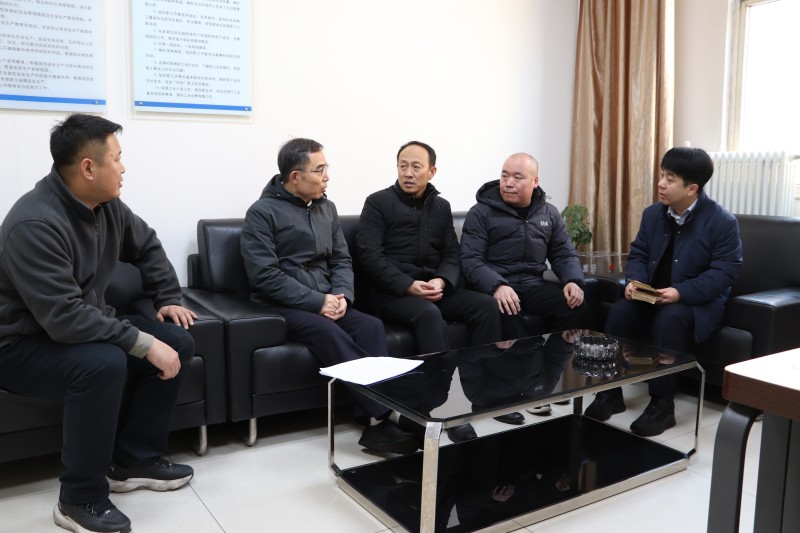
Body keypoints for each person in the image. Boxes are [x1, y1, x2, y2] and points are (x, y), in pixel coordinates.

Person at [0, 114, 197, 533]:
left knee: (177, 340)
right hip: (19, 345)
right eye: (117, 158)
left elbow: (147, 245)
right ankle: (79, 498)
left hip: (78, 326)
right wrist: (144, 343)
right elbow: (64, 318)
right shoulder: (34, 223)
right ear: (89, 168)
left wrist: (167, 297)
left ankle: (133, 460)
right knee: (103, 363)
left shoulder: (107, 207)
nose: (123, 168)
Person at [240, 137, 418, 455]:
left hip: (329, 298)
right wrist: (317, 302)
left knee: (371, 326)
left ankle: (371, 422)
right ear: (295, 176)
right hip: (282, 305)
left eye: (326, 168)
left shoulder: (327, 208)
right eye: (319, 169)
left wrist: (342, 296)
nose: (327, 176)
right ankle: (386, 412)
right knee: (326, 330)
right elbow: (265, 276)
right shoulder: (261, 213)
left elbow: (341, 259)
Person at [585, 147, 742, 436]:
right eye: (661, 176)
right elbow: (639, 253)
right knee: (619, 311)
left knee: (669, 319)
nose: (661, 183)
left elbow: (723, 273)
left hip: (694, 302)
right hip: (653, 295)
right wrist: (634, 281)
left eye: (670, 179)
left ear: (692, 188)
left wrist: (680, 292)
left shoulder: (722, 222)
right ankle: (609, 391)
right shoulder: (653, 214)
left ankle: (662, 404)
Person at [355, 141, 508, 437]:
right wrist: (407, 285)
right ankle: (441, 408)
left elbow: (452, 252)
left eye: (416, 167)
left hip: (434, 287)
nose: (408, 173)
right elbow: (369, 256)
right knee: (428, 314)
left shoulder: (441, 206)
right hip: (392, 292)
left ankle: (485, 393)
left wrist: (443, 280)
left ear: (431, 171)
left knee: (485, 306)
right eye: (403, 166)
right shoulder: (378, 202)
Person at [460, 152, 588, 340]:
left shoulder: (549, 213)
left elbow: (564, 254)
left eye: (517, 177)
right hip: (498, 286)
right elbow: (471, 260)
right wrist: (497, 286)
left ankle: (555, 359)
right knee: (508, 312)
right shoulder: (480, 213)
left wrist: (572, 281)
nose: (508, 183)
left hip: (533, 285)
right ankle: (526, 357)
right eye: (504, 176)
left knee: (575, 306)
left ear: (535, 181)